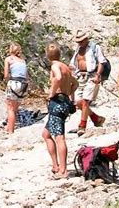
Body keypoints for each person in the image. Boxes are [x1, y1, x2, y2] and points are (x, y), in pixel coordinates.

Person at [42, 43, 78, 179]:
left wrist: (52, 93)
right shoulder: (66, 67)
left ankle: (63, 170)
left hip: (57, 102)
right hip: (64, 102)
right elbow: (75, 84)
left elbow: (58, 78)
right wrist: (69, 94)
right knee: (46, 134)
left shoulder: (55, 66)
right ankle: (55, 165)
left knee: (59, 137)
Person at [70, 29, 106, 135]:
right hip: (80, 77)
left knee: (85, 101)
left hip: (91, 76)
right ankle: (96, 118)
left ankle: (82, 125)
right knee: (78, 102)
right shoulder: (77, 50)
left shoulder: (95, 48)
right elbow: (73, 64)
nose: (79, 43)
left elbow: (101, 61)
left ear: (86, 39)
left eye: (81, 41)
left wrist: (98, 75)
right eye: (78, 41)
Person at [3, 42, 29, 134]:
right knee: (15, 109)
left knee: (10, 109)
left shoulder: (9, 59)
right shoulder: (23, 61)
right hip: (23, 85)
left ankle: (10, 131)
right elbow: (26, 76)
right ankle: (8, 127)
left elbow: (6, 75)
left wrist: (8, 82)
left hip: (14, 83)